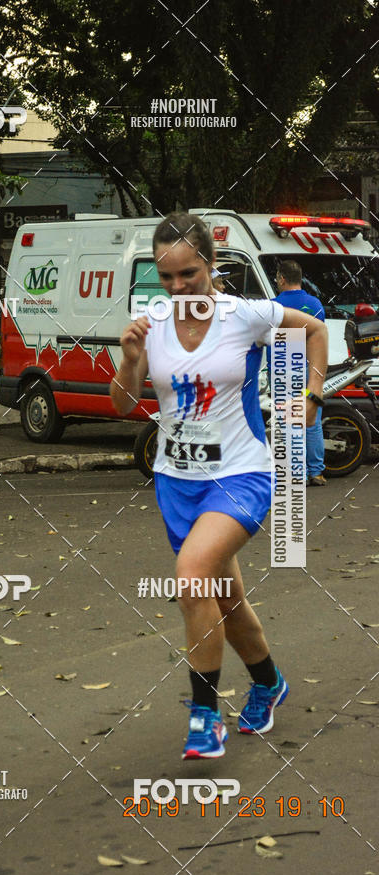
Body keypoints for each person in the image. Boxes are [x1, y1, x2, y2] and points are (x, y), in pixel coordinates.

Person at [110, 212, 328, 759]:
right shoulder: (152, 323)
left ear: (209, 263)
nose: (179, 287)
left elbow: (318, 331)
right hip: (177, 481)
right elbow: (122, 403)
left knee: (190, 578)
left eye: (189, 273)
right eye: (167, 277)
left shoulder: (244, 315)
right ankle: (269, 681)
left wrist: (313, 395)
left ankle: (205, 717)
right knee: (225, 602)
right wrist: (130, 359)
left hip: (241, 474)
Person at [271, 259, 327, 486]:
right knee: (312, 421)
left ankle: (297, 473)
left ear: (282, 279)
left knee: (289, 422)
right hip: (308, 368)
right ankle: (316, 472)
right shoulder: (316, 305)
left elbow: (269, 342)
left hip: (283, 368)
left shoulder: (274, 305)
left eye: (277, 277)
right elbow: (319, 339)